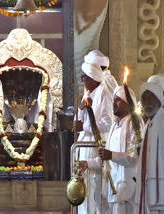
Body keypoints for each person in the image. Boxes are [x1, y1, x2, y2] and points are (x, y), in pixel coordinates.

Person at [80, 86, 142, 213]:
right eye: (113, 100)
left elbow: (134, 158)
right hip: (113, 189)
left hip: (129, 189)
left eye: (117, 100)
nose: (114, 103)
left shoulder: (133, 124)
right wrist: (87, 163)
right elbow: (105, 158)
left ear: (127, 103)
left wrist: (111, 155)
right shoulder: (114, 126)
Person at [75, 57, 114, 214]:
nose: (81, 79)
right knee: (83, 190)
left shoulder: (104, 93)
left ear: (92, 78)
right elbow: (78, 123)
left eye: (84, 76)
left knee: (95, 191)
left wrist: (84, 126)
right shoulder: (88, 94)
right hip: (83, 147)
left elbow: (107, 123)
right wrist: (80, 108)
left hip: (94, 148)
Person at [134, 75, 164, 214]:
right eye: (144, 98)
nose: (146, 102)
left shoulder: (161, 121)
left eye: (150, 97)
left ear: (160, 99)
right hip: (149, 192)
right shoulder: (149, 124)